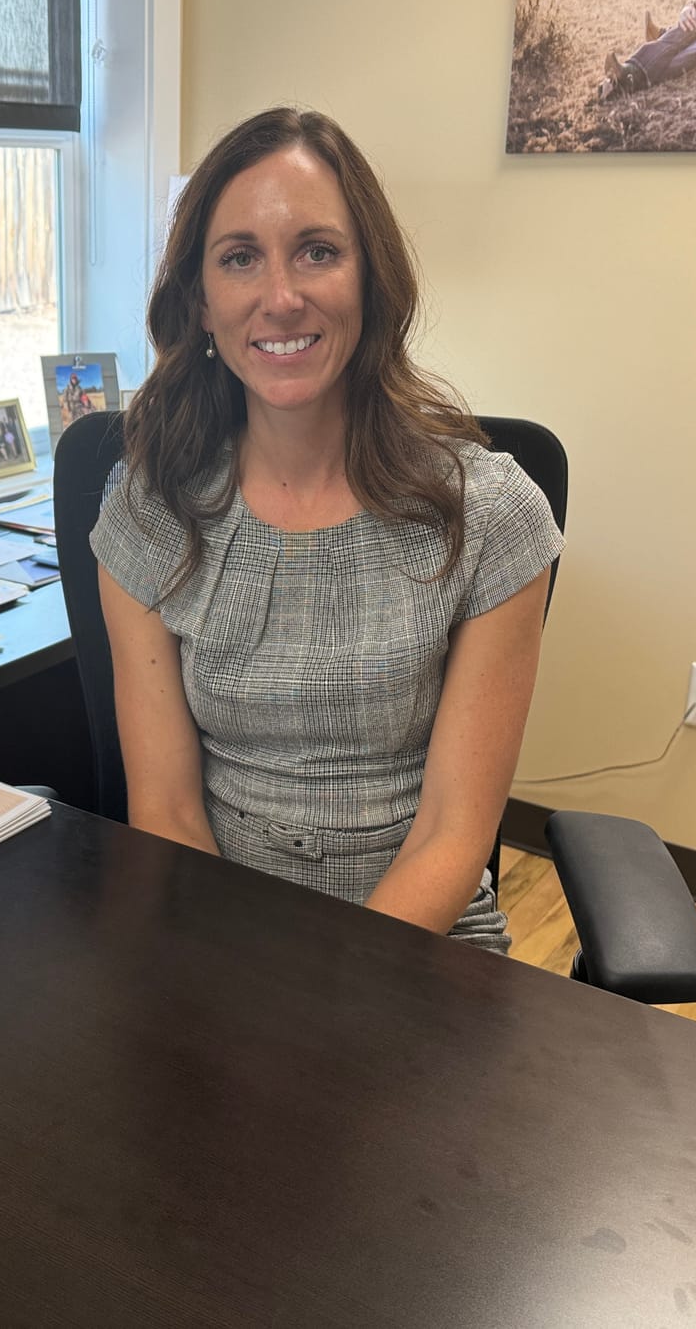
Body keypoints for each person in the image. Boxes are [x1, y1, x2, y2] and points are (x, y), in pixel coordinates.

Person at [91, 108, 563, 954]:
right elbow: (165, 811)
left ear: (369, 277)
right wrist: (238, 989)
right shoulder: (147, 509)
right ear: (200, 301)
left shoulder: (489, 517)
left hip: (418, 948)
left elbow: (453, 834)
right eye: (241, 258)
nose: (281, 298)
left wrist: (327, 1006)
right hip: (217, 935)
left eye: (318, 250)